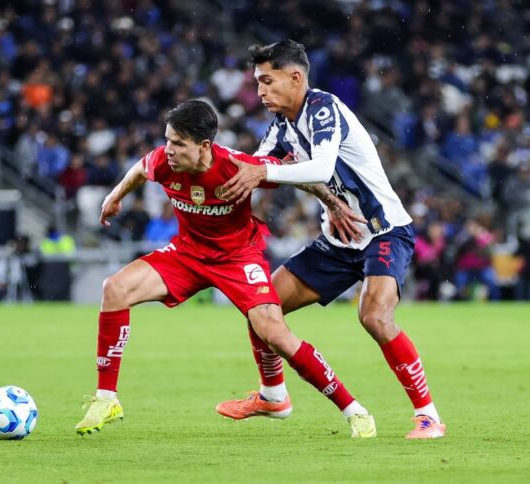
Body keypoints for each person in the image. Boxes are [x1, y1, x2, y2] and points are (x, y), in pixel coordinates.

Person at [76, 100, 377, 439]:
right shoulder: (164, 161)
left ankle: (355, 411)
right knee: (114, 289)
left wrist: (334, 204)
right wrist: (114, 196)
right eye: (167, 140)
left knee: (275, 334)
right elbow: (139, 169)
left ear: (204, 146)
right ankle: (106, 398)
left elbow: (296, 175)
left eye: (178, 143)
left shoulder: (237, 166)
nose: (168, 150)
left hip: (238, 258)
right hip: (187, 255)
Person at [218, 40, 445, 439]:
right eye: (257, 83)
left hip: (382, 229)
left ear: (296, 77)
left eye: (267, 81)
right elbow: (256, 166)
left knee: (373, 316)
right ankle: (273, 396)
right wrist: (205, 162)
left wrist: (265, 174)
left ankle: (428, 416)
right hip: (339, 241)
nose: (260, 92)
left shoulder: (323, 108)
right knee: (262, 309)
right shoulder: (281, 127)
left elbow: (319, 167)